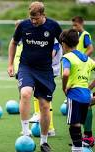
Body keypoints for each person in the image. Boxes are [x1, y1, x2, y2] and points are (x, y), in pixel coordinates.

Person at [7, 2, 62, 151]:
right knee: (25, 93)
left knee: (44, 106)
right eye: (31, 18)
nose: (33, 21)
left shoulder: (53, 26)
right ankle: (26, 133)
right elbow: (13, 43)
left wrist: (69, 59)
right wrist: (10, 64)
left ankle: (44, 142)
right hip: (26, 67)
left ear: (43, 14)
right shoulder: (23, 26)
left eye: (36, 18)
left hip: (45, 70)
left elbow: (64, 44)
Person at [13, 20, 60, 137]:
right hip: (29, 68)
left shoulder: (52, 33)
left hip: (48, 69)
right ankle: (36, 117)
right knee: (28, 93)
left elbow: (53, 53)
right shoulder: (25, 35)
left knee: (45, 101)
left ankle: (49, 127)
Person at [60, 29, 95, 152]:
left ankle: (77, 149)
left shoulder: (67, 57)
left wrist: (64, 87)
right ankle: (80, 145)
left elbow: (65, 73)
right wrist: (90, 86)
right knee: (79, 124)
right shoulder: (87, 58)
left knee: (74, 126)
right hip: (86, 97)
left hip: (74, 95)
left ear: (64, 44)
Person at [72, 16, 94, 146]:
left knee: (87, 102)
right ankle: (88, 136)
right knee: (88, 102)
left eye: (76, 25)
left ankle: (88, 137)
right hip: (79, 66)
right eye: (73, 26)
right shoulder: (76, 36)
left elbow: (90, 48)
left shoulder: (85, 34)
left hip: (81, 64)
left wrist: (83, 58)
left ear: (81, 23)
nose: (74, 27)